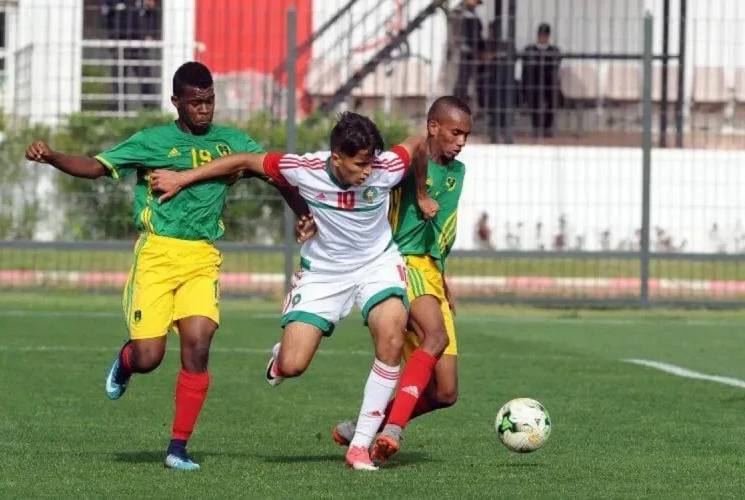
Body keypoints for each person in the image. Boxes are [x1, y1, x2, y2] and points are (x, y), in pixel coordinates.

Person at [24, 61, 310, 472]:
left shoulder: (231, 143)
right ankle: (127, 362)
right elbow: (96, 166)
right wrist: (51, 156)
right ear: (176, 102)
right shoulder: (152, 141)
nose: (205, 110)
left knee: (198, 344)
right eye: (196, 103)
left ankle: (178, 447)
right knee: (150, 356)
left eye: (210, 101)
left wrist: (302, 212)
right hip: (157, 255)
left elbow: (276, 175)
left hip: (201, 257)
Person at [149, 111, 438, 471]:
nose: (368, 172)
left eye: (371, 162)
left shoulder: (386, 167)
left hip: (376, 264)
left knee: (393, 334)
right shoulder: (304, 168)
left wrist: (422, 193)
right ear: (337, 158)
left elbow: (418, 144)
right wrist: (182, 178)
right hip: (324, 273)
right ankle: (279, 360)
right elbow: (245, 160)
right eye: (360, 164)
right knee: (293, 364)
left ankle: (359, 446)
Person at [297, 96, 472, 463]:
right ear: (433, 127)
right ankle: (391, 431)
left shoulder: (459, 172)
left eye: (466, 135)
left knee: (446, 393)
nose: (461, 142)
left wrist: (442, 275)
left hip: (430, 271)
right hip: (401, 265)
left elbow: (440, 231)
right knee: (435, 337)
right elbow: (367, 192)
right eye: (455, 133)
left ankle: (368, 427)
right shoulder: (401, 169)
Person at [522, 23, 561, 136]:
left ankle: (548, 126)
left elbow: (555, 68)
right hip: (533, 83)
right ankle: (536, 126)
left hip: (549, 83)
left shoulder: (554, 50)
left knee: (552, 96)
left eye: (545, 35)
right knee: (534, 94)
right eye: (541, 35)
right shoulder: (529, 50)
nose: (543, 37)